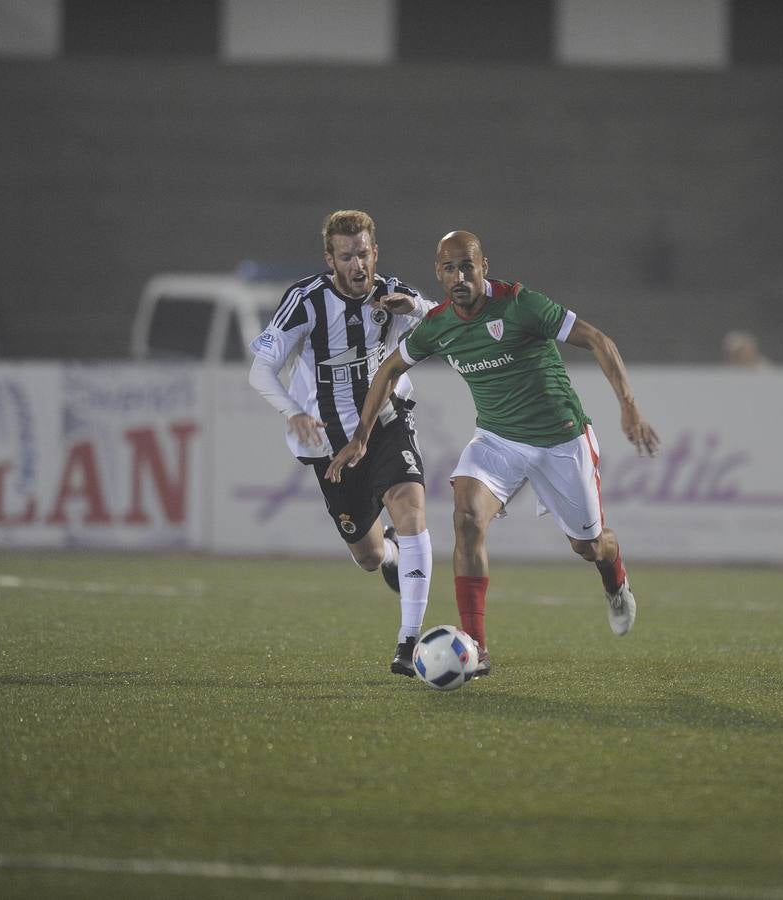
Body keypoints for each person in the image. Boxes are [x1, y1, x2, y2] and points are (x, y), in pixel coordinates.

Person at [326, 230, 661, 677]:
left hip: (559, 439)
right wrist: (362, 436)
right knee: (465, 517)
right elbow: (389, 369)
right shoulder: (440, 324)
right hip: (498, 440)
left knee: (588, 544)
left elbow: (600, 340)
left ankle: (615, 577)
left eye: (468, 265)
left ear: (484, 265)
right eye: (450, 268)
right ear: (439, 274)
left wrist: (630, 407)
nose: (460, 275)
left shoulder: (521, 305)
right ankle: (476, 650)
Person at [248, 209, 437, 678]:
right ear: (329, 258)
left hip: (389, 423)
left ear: (376, 253)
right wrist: (293, 412)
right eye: (347, 256)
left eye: (364, 254)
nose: (358, 266)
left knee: (411, 508)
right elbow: (260, 370)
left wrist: (414, 308)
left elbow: (446, 318)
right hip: (331, 447)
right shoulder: (305, 301)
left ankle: (408, 642)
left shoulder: (393, 294)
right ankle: (391, 554)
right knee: (369, 557)